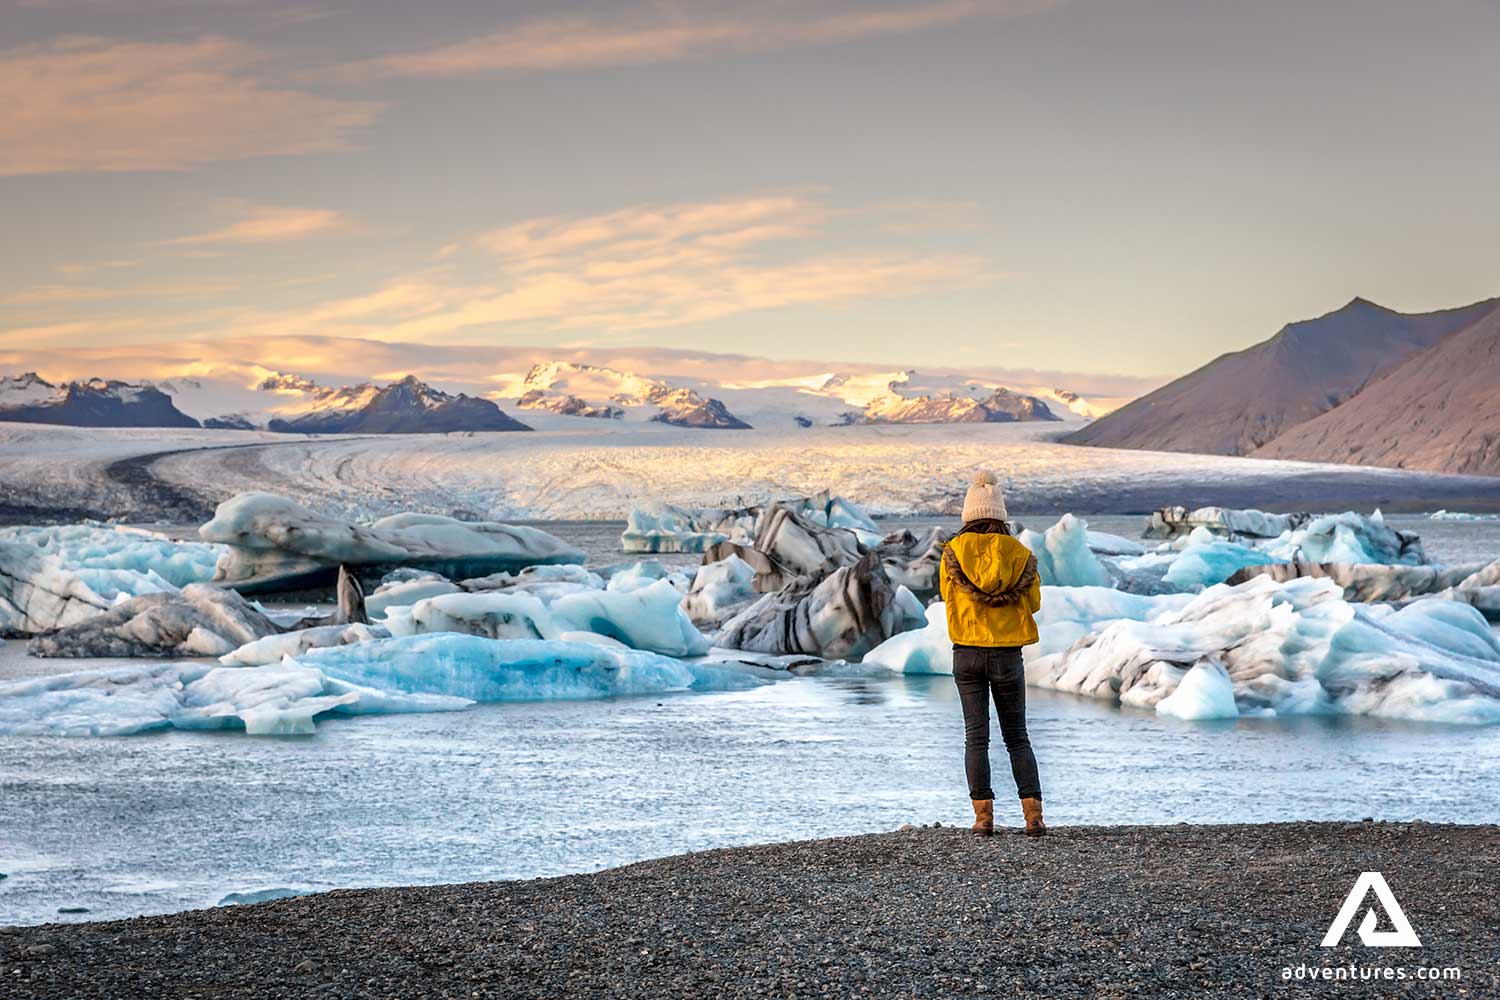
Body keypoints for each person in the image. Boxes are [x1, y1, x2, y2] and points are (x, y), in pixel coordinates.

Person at [939, 470, 1045, 837]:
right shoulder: (1021, 554)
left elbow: (947, 598)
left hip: (966, 653)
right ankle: (1033, 817)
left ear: (969, 515)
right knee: (1017, 736)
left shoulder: (952, 553)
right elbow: (1033, 603)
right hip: (1007, 654)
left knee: (976, 737)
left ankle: (984, 819)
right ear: (1000, 515)